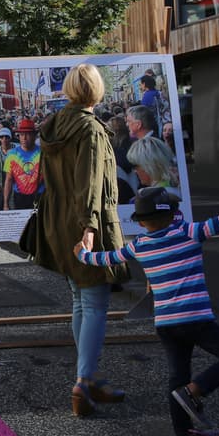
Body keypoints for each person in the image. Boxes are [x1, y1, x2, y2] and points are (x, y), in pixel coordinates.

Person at [75, 188, 219, 436]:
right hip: (195, 319)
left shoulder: (139, 245)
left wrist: (82, 253)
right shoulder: (190, 232)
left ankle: (183, 435)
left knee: (177, 376)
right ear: (173, 215)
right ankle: (195, 390)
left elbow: (106, 258)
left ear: (141, 221)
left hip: (166, 324)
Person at [34, 63, 130, 418]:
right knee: (93, 303)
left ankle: (86, 376)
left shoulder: (54, 124)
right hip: (85, 222)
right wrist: (89, 229)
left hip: (59, 220)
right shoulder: (89, 129)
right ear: (97, 89)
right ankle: (84, 381)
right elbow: (89, 183)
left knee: (80, 299)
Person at [3, 118, 43, 210]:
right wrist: (5, 203)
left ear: (34, 135)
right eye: (21, 134)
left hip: (39, 196)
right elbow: (8, 179)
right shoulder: (12, 154)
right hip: (20, 197)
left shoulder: (43, 153)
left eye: (28, 134)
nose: (24, 138)